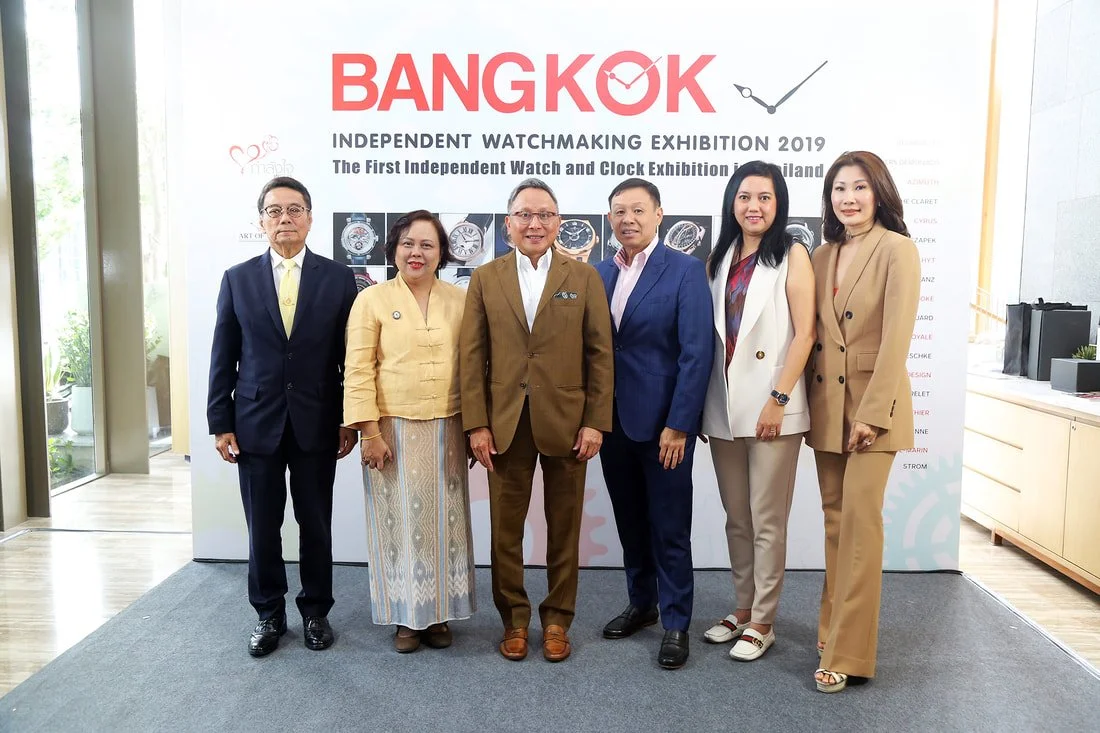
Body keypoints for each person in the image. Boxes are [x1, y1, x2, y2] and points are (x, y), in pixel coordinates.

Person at [460, 178, 614, 663]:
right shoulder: (486, 278)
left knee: (563, 528)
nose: (535, 223)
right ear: (508, 225)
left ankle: (556, 620)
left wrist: (596, 422)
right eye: (524, 215)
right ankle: (514, 619)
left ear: (558, 224)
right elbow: (472, 357)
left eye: (545, 214)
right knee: (505, 531)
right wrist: (476, 424)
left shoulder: (583, 277)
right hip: (504, 423)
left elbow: (600, 355)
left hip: (568, 423)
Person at [207, 176, 358, 657]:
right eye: (275, 211)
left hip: (317, 421)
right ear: (261, 222)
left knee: (316, 523)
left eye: (294, 210)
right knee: (263, 526)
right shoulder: (238, 277)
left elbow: (349, 357)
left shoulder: (338, 278)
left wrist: (348, 419)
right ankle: (268, 614)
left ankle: (316, 612)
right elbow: (223, 354)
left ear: (310, 219)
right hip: (254, 422)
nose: (285, 219)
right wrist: (220, 421)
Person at [807, 151, 920, 692]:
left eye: (859, 187)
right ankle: (831, 631)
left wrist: (873, 415)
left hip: (876, 409)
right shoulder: (822, 253)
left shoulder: (898, 249)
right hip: (828, 405)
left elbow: (897, 337)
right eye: (838, 189)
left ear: (879, 192)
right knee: (834, 523)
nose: (848, 198)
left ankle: (849, 654)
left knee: (859, 526)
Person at [343, 210, 476, 653]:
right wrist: (369, 432)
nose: (416, 253)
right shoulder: (373, 299)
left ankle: (437, 614)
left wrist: (475, 427)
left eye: (427, 245)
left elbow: (475, 370)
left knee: (446, 525)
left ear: (442, 253)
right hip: (392, 430)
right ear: (393, 249)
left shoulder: (460, 300)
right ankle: (405, 618)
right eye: (407, 244)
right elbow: (358, 369)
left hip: (449, 426)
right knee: (399, 525)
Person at [699, 161, 816, 662]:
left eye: (765, 198)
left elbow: (805, 333)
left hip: (773, 406)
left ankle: (764, 619)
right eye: (746, 197)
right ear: (732, 202)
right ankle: (743, 608)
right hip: (723, 406)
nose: (754, 206)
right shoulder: (719, 256)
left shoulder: (792, 254)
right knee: (736, 518)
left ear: (778, 204)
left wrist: (780, 399)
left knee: (768, 519)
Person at [594, 178, 712, 670]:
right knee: (631, 523)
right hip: (611, 425)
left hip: (665, 428)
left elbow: (696, 352)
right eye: (619, 211)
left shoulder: (684, 271)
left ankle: (677, 621)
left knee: (669, 528)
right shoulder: (598, 273)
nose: (628, 220)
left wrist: (680, 424)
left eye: (638, 210)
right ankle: (641, 604)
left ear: (659, 214)